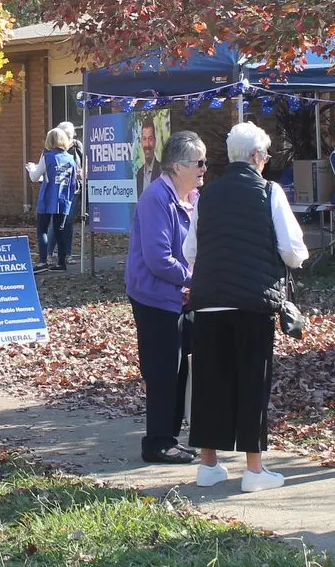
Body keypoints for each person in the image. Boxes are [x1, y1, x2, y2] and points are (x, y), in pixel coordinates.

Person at [184, 123, 308, 492]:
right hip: (253, 301)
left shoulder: (206, 196)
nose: (266, 161)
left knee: (210, 382)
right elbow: (293, 248)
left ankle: (208, 464)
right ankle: (254, 470)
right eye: (266, 155)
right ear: (257, 157)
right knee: (252, 381)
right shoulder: (269, 192)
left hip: (208, 301)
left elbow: (191, 250)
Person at [124, 131, 204, 465]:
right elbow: (158, 259)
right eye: (199, 162)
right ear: (179, 166)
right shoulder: (157, 197)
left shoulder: (193, 197)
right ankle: (156, 442)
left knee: (178, 371)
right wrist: (193, 280)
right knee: (161, 371)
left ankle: (170, 438)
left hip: (181, 297)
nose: (204, 168)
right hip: (155, 298)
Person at [26, 128, 77, 272]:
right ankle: (61, 262)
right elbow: (73, 182)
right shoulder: (70, 159)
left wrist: (31, 168)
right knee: (59, 230)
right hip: (63, 198)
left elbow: (34, 177)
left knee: (42, 229)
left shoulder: (47, 157)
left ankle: (43, 261)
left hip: (47, 197)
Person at [134, 117, 161, 197]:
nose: (147, 144)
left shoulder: (163, 172)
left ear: (155, 141)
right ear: (141, 142)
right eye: (144, 139)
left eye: (150, 139)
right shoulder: (139, 174)